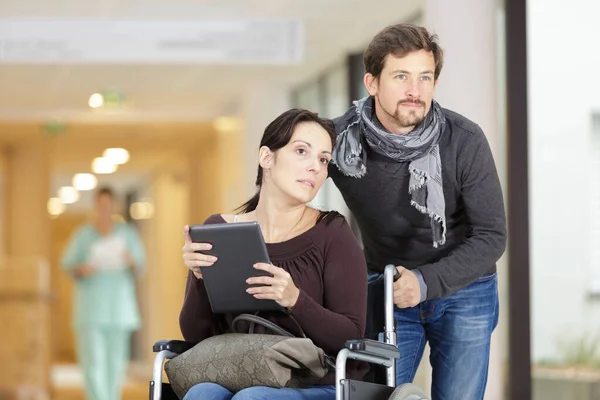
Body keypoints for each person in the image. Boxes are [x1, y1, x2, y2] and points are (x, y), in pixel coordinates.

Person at [328, 24, 507, 399]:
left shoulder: (464, 139)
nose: (415, 90)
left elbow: (491, 235)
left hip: (466, 290)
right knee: (377, 396)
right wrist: (229, 234)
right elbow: (284, 179)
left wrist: (424, 282)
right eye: (401, 76)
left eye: (425, 77)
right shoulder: (340, 140)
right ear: (372, 83)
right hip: (388, 290)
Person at [179, 109, 368, 400]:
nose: (315, 167)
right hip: (242, 370)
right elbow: (195, 336)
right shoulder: (219, 230)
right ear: (267, 158)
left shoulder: (332, 233)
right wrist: (199, 279)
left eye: (323, 159)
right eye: (302, 151)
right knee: (201, 394)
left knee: (252, 399)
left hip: (317, 380)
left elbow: (351, 336)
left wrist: (295, 300)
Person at [61, 187, 146, 400]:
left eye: (108, 205)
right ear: (95, 207)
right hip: (91, 311)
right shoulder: (83, 234)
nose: (104, 210)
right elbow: (67, 264)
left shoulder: (127, 234)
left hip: (119, 310)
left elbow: (141, 267)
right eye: (100, 205)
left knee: (115, 365)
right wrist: (82, 268)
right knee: (93, 364)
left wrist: (130, 260)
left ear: (114, 206)